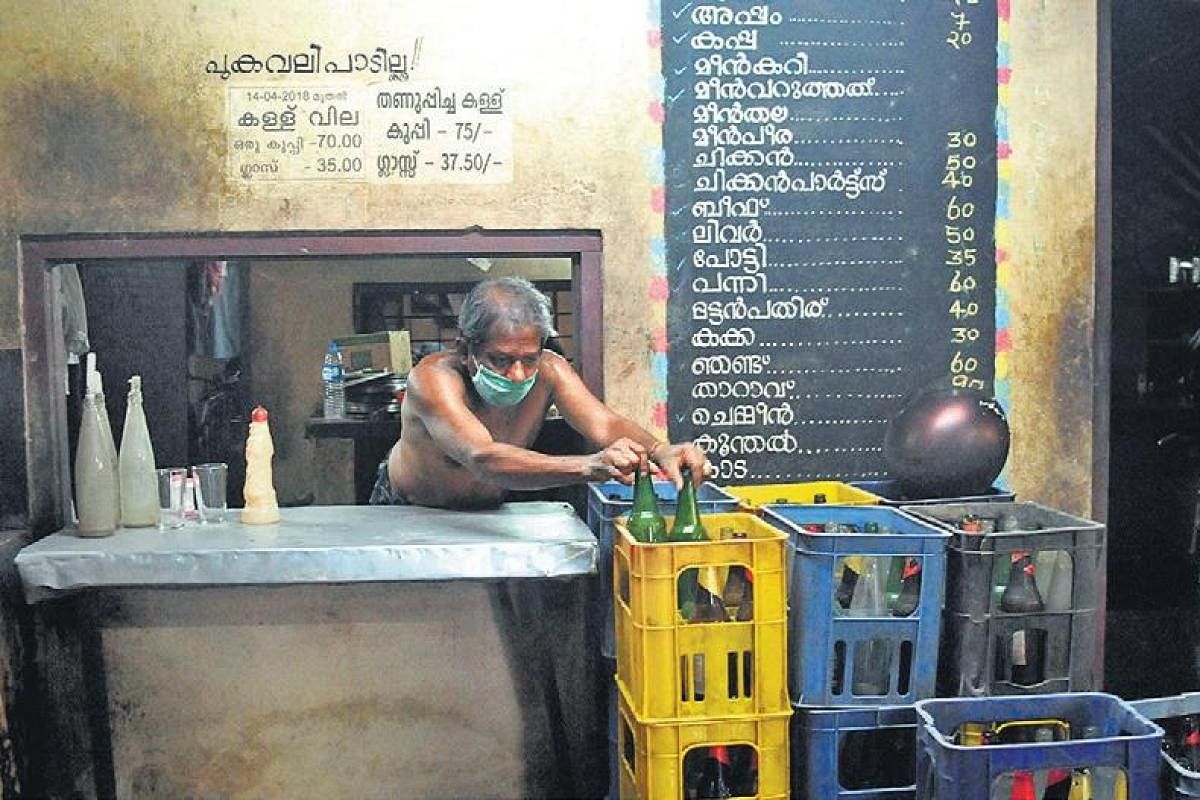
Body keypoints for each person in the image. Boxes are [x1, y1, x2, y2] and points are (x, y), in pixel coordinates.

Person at [370, 276, 709, 508]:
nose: (517, 375)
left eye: (528, 359)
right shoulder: (433, 379)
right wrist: (588, 466)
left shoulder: (551, 369)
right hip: (409, 509)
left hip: (489, 511)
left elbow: (604, 425)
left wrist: (659, 449)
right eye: (500, 360)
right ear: (465, 349)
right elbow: (482, 457)